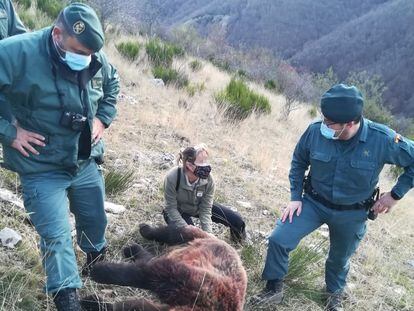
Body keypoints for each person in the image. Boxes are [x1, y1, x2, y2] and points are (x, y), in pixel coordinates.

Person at [0, 3, 120, 310]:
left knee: (95, 220)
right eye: (78, 51)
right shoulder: (16, 53)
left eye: (90, 54)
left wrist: (101, 120)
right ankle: (67, 297)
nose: (85, 59)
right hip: (41, 166)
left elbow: (111, 83)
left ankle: (95, 261)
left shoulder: (92, 55)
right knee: (56, 237)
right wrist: (10, 134)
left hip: (83, 160)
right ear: (57, 35)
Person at [252, 84, 414, 310]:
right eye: (324, 119)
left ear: (350, 123)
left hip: (352, 212)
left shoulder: (382, 139)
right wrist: (295, 196)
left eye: (330, 123)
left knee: (338, 260)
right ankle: (273, 288)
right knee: (279, 239)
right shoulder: (314, 131)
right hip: (313, 202)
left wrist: (394, 196)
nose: (324, 126)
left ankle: (332, 297)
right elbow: (299, 161)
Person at [162, 144, 246, 242]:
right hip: (177, 211)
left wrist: (208, 234)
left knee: (237, 220)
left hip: (198, 208)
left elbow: (206, 208)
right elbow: (170, 208)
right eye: (201, 162)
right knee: (191, 239)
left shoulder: (209, 179)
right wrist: (188, 228)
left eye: (206, 161)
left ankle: (238, 245)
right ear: (189, 165)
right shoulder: (173, 177)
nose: (206, 166)